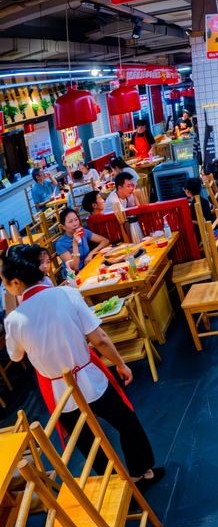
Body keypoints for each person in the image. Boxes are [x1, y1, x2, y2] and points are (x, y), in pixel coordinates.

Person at [2, 244, 164, 485]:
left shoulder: (14, 320)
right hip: (89, 378)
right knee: (127, 422)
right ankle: (141, 472)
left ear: (16, 283)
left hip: (60, 394)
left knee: (88, 443)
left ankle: (113, 487)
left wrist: (13, 308)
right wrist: (120, 364)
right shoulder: (66, 294)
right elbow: (98, 338)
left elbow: (15, 356)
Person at [54, 208, 110, 274]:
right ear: (63, 227)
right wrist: (75, 243)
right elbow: (75, 267)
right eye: (70, 221)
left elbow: (105, 241)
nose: (75, 224)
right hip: (75, 276)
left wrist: (91, 253)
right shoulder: (60, 244)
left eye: (76, 219)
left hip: (89, 268)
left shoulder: (84, 232)